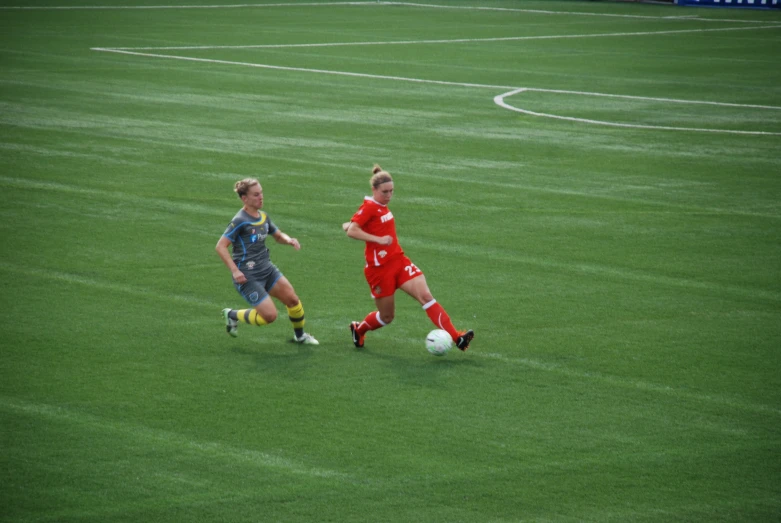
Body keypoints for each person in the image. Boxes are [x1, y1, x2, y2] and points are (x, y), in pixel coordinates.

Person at [341, 164, 474, 351]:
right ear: (374, 190)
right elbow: (353, 232)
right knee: (387, 317)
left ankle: (457, 337)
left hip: (398, 261)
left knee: (426, 296)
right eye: (385, 192)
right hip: (379, 270)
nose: (389, 196)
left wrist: (350, 224)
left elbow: (355, 225)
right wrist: (377, 239)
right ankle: (359, 329)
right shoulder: (370, 207)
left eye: (391, 191)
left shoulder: (380, 206)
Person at [216, 178, 319, 345]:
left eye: (261, 193)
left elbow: (278, 236)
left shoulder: (263, 217)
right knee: (270, 316)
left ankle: (300, 336)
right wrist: (235, 271)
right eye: (256, 195)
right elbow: (220, 246)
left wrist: (289, 240)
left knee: (292, 300)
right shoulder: (240, 221)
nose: (261, 197)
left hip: (267, 270)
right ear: (245, 199)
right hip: (248, 277)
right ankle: (232, 315)